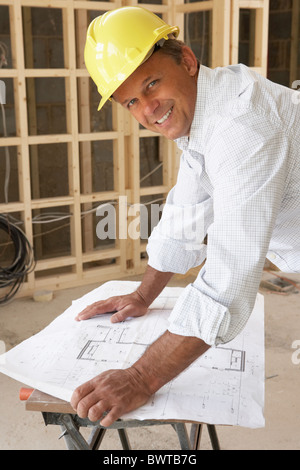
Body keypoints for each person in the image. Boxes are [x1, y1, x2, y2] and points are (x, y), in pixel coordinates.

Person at [70, 6, 300, 426]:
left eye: (152, 83)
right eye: (132, 102)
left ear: (187, 60)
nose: (148, 110)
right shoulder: (206, 109)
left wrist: (141, 377)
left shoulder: (243, 128)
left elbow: (230, 279)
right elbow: (186, 213)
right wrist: (143, 296)